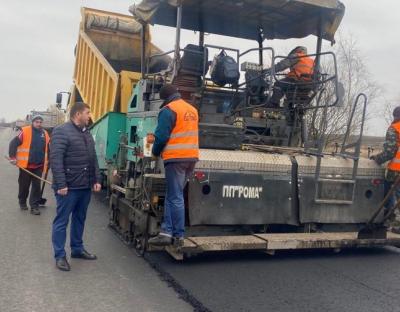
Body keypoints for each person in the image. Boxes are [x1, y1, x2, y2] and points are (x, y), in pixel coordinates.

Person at [50, 102, 101, 271]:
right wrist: (62, 184)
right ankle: (60, 255)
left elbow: (93, 158)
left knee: (80, 219)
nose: (89, 116)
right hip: (68, 188)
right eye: (87, 112)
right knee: (62, 221)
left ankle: (77, 249)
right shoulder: (61, 131)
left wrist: (96, 179)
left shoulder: (86, 133)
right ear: (78, 114)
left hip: (84, 187)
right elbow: (56, 160)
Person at [148, 84, 199, 247]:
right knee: (173, 195)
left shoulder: (168, 110)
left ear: (165, 98)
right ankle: (166, 232)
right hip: (191, 158)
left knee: (175, 197)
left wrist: (155, 152)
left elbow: (161, 136)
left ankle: (178, 235)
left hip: (176, 159)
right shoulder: (192, 109)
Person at [8, 114, 50, 215]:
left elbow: (49, 148)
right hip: (25, 166)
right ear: (32, 122)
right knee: (24, 186)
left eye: (40, 122)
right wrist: (13, 157)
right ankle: (22, 202)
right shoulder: (25, 131)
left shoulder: (45, 133)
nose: (39, 124)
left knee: (36, 187)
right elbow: (13, 144)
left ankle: (34, 206)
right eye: (37, 122)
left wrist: (50, 160)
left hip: (39, 166)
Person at [371, 106, 400, 232]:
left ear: (395, 116)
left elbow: (389, 152)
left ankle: (392, 222)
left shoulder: (394, 129)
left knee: (389, 193)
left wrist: (377, 159)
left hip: (396, 170)